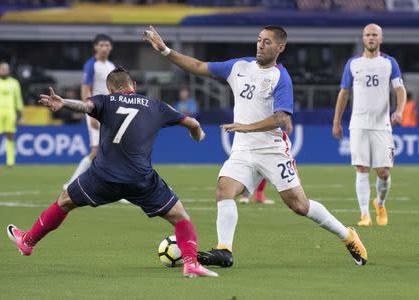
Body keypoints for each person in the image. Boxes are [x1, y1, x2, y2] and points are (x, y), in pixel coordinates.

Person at [144, 25, 368, 267]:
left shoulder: (281, 77)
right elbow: (199, 66)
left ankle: (348, 236)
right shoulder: (239, 66)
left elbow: (281, 118)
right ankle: (224, 250)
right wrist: (165, 50)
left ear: (280, 47)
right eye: (259, 40)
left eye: (267, 42)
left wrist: (247, 127)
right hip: (243, 149)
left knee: (299, 205)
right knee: (224, 190)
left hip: (272, 149)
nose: (261, 45)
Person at [6, 67, 218, 278]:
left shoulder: (106, 101)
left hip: (103, 177)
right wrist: (197, 134)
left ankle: (28, 241)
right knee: (180, 217)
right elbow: (193, 123)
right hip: (140, 179)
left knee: (64, 202)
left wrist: (64, 103)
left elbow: (85, 106)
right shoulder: (156, 106)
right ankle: (190, 263)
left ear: (110, 89)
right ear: (133, 85)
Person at [333, 24, 406, 227]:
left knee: (383, 172)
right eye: (367, 35)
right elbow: (344, 93)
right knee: (361, 168)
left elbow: (400, 90)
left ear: (380, 39)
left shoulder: (389, 63)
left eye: (375, 35)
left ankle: (379, 203)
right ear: (363, 38)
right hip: (358, 124)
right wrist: (336, 121)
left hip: (382, 125)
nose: (371, 38)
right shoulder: (353, 64)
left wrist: (399, 111)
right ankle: (364, 214)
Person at [63, 34, 116, 190]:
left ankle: (114, 188)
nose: (104, 48)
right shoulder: (91, 65)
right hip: (96, 111)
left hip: (109, 113)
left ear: (111, 47)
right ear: (95, 47)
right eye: (101, 45)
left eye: (107, 45)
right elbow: (85, 89)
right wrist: (91, 113)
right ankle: (71, 184)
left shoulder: (111, 66)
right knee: (96, 151)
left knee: (111, 150)